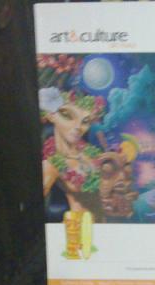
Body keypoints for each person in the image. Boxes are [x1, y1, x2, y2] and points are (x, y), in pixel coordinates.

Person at [38, 54, 106, 221]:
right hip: (80, 233)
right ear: (51, 116)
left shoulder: (90, 151)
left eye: (85, 121)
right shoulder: (51, 164)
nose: (77, 127)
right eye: (69, 116)